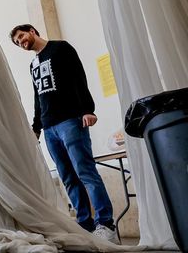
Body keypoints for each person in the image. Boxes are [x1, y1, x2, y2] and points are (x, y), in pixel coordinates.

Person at [10, 24, 118, 243]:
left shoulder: (61, 49)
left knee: (85, 172)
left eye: (21, 36)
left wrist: (88, 109)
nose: (21, 42)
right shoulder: (33, 64)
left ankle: (106, 224)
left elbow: (79, 78)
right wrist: (36, 128)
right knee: (68, 178)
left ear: (32, 31)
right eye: (17, 42)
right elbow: (38, 98)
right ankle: (85, 225)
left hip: (70, 120)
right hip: (50, 128)